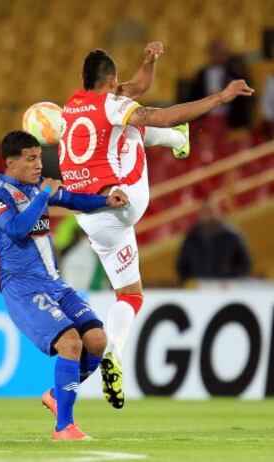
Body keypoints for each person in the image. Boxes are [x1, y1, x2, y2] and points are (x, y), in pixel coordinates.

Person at [58, 47, 254, 409]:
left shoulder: (72, 105)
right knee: (136, 128)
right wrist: (222, 96)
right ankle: (181, 139)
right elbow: (156, 116)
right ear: (112, 82)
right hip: (122, 199)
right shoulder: (113, 106)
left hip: (89, 217)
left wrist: (149, 64)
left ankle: (113, 350)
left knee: (130, 294)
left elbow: (137, 88)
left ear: (83, 81)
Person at [0, 130, 128, 441]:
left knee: (97, 340)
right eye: (31, 159)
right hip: (23, 287)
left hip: (55, 284)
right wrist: (43, 195)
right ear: (10, 162)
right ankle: (64, 427)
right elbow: (17, 229)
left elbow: (72, 199)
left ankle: (56, 396)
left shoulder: (37, 187)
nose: (38, 164)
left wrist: (106, 201)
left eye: (39, 158)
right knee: (71, 343)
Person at [176, 197, 252, 282]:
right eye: (206, 211)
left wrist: (233, 277)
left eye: (212, 211)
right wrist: (189, 280)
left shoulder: (232, 236)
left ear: (219, 212)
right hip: (200, 287)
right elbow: (182, 264)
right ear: (201, 214)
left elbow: (245, 263)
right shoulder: (191, 238)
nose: (209, 215)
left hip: (226, 287)